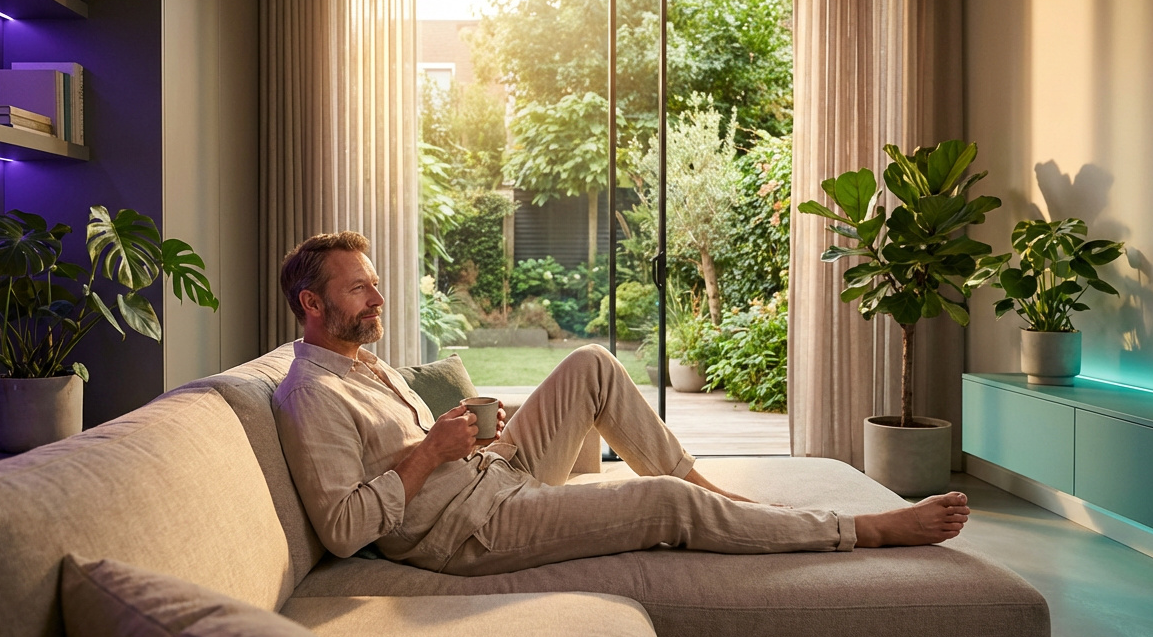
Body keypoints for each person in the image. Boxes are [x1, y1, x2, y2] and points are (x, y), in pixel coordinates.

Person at [272, 232, 970, 576]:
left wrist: (472, 441)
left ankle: (715, 492)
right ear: (313, 303)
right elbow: (341, 526)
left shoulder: (362, 364)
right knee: (664, 503)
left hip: (489, 477)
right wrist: (433, 451)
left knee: (592, 365)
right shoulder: (311, 396)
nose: (378, 298)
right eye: (359, 289)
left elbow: (413, 455)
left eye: (373, 284)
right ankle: (864, 531)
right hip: (471, 531)